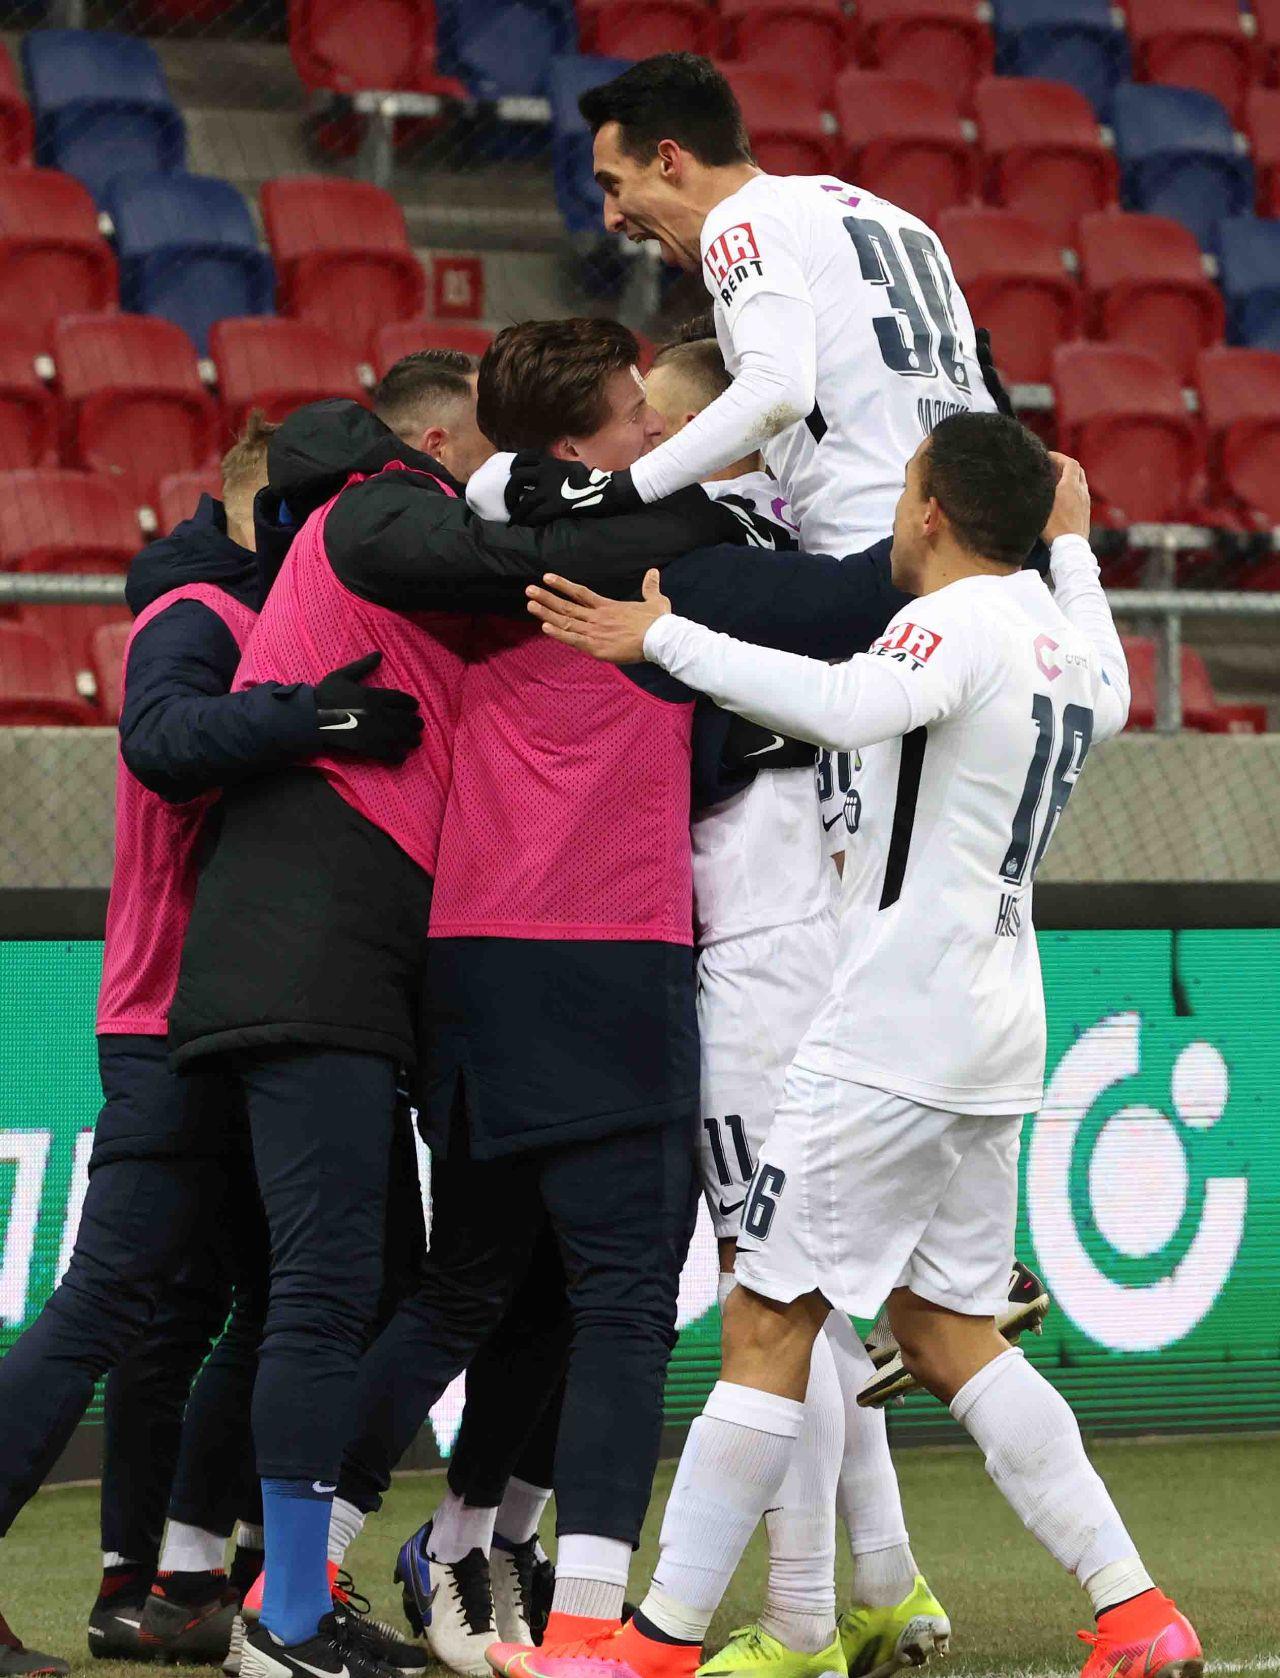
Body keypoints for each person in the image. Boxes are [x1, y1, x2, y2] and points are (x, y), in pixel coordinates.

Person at [522, 416, 1204, 1678]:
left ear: (930, 510)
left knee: (765, 1316)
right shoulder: (1061, 641)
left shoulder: (952, 624)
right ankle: (1134, 1612)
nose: (892, 514)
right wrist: (1071, 550)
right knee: (945, 1330)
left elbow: (843, 704)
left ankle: (649, 1646)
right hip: (994, 1023)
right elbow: (1109, 682)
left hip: (894, 1026)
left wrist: (660, 636)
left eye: (900, 492)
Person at [164, 393, 746, 1678]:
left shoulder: (431, 585)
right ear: (441, 450)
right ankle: (304, 1604)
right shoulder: (391, 522)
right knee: (355, 1292)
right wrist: (703, 515)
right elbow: (163, 735)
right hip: (388, 961)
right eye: (638, 420)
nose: (493, 487)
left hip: (416, 965)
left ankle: (370, 1569)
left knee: (449, 1288)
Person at [0, 414, 423, 1673]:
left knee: (293, 1296)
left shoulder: (265, 612)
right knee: (114, 1302)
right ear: (268, 506)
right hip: (171, 1020)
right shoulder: (197, 612)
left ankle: (204, 1575)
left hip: (255, 1012)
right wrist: (320, 720)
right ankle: (188, 1574)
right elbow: (162, 742)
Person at [643, 338, 953, 1678]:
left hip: (761, 942)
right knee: (806, 1288)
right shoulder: (809, 548)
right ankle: (885, 1580)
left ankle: (805, 1617)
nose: (634, 457)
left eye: (653, 428)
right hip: (836, 921)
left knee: (768, 1294)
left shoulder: (699, 560)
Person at [507, 53, 995, 562]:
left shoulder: (740, 220)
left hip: (875, 548)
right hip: (977, 541)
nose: (610, 217)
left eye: (614, 185)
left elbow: (777, 388)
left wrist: (621, 487)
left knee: (673, 588)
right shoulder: (898, 221)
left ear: (669, 161)